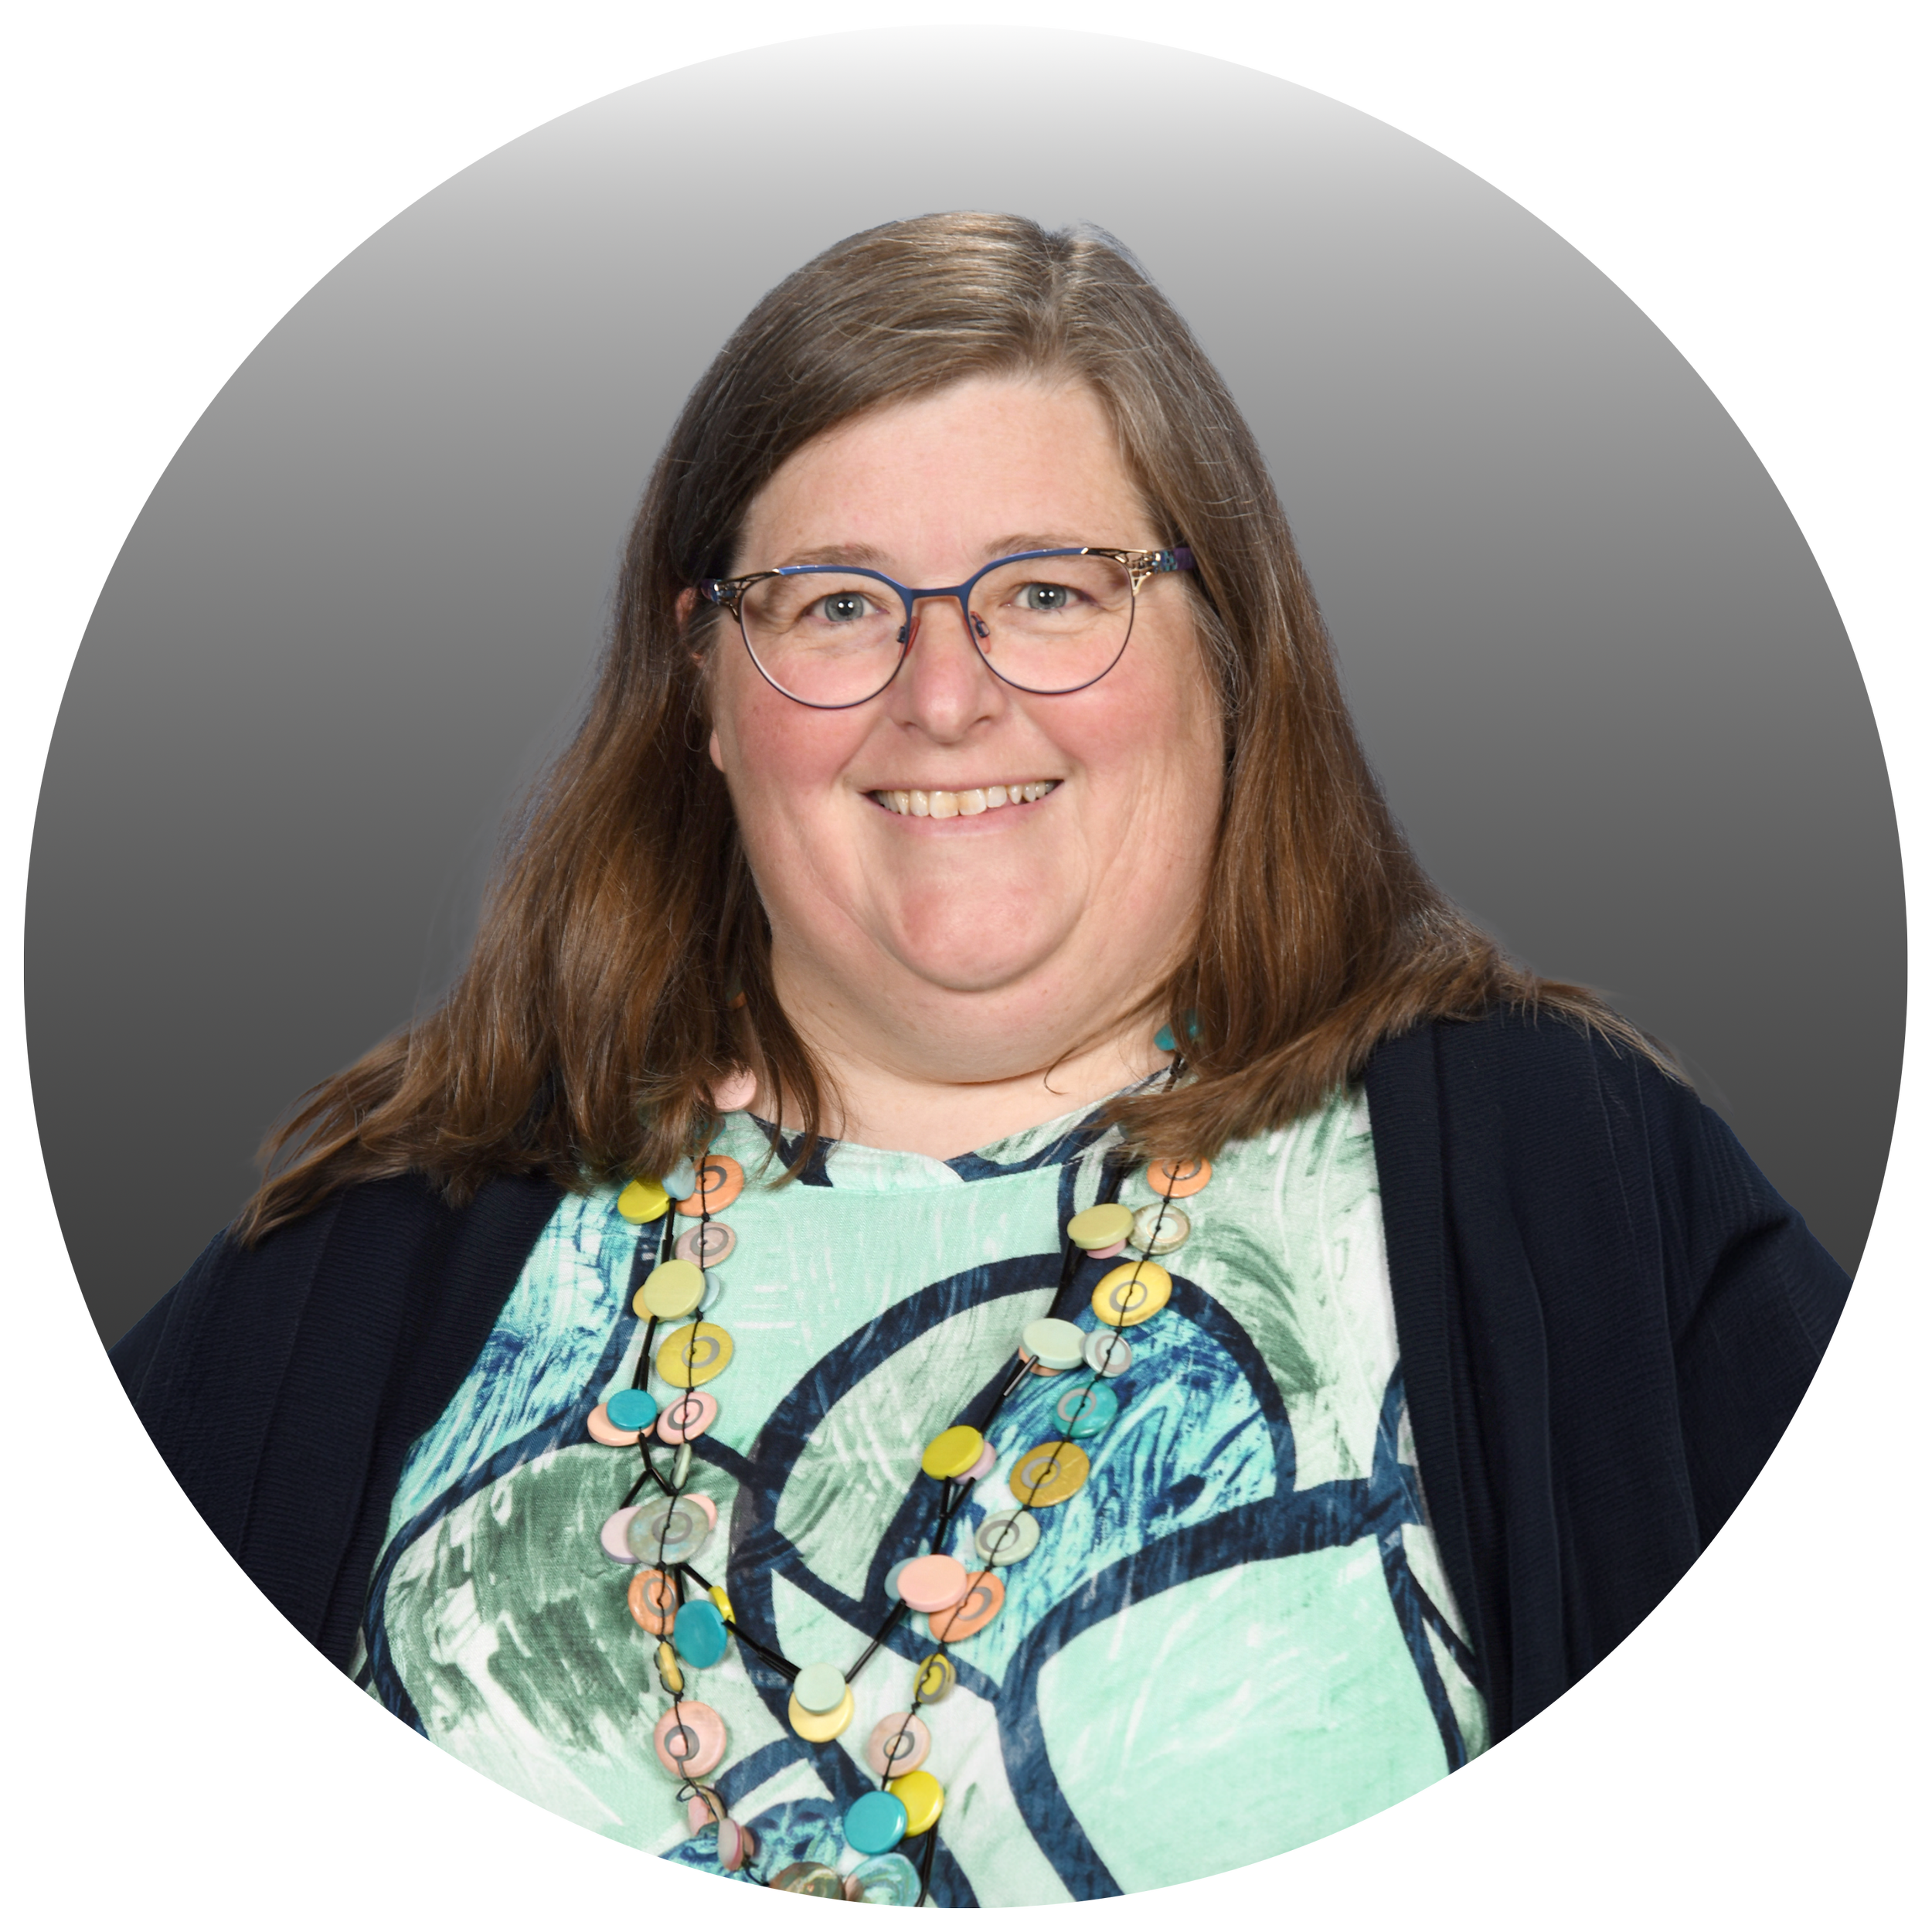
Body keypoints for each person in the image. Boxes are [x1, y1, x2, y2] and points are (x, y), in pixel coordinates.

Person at [107, 212, 1850, 1908]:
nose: (944, 695)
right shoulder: (350, 1274)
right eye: (835, 605)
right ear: (701, 686)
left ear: (1227, 650)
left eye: (1047, 591)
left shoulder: (1579, 1194)